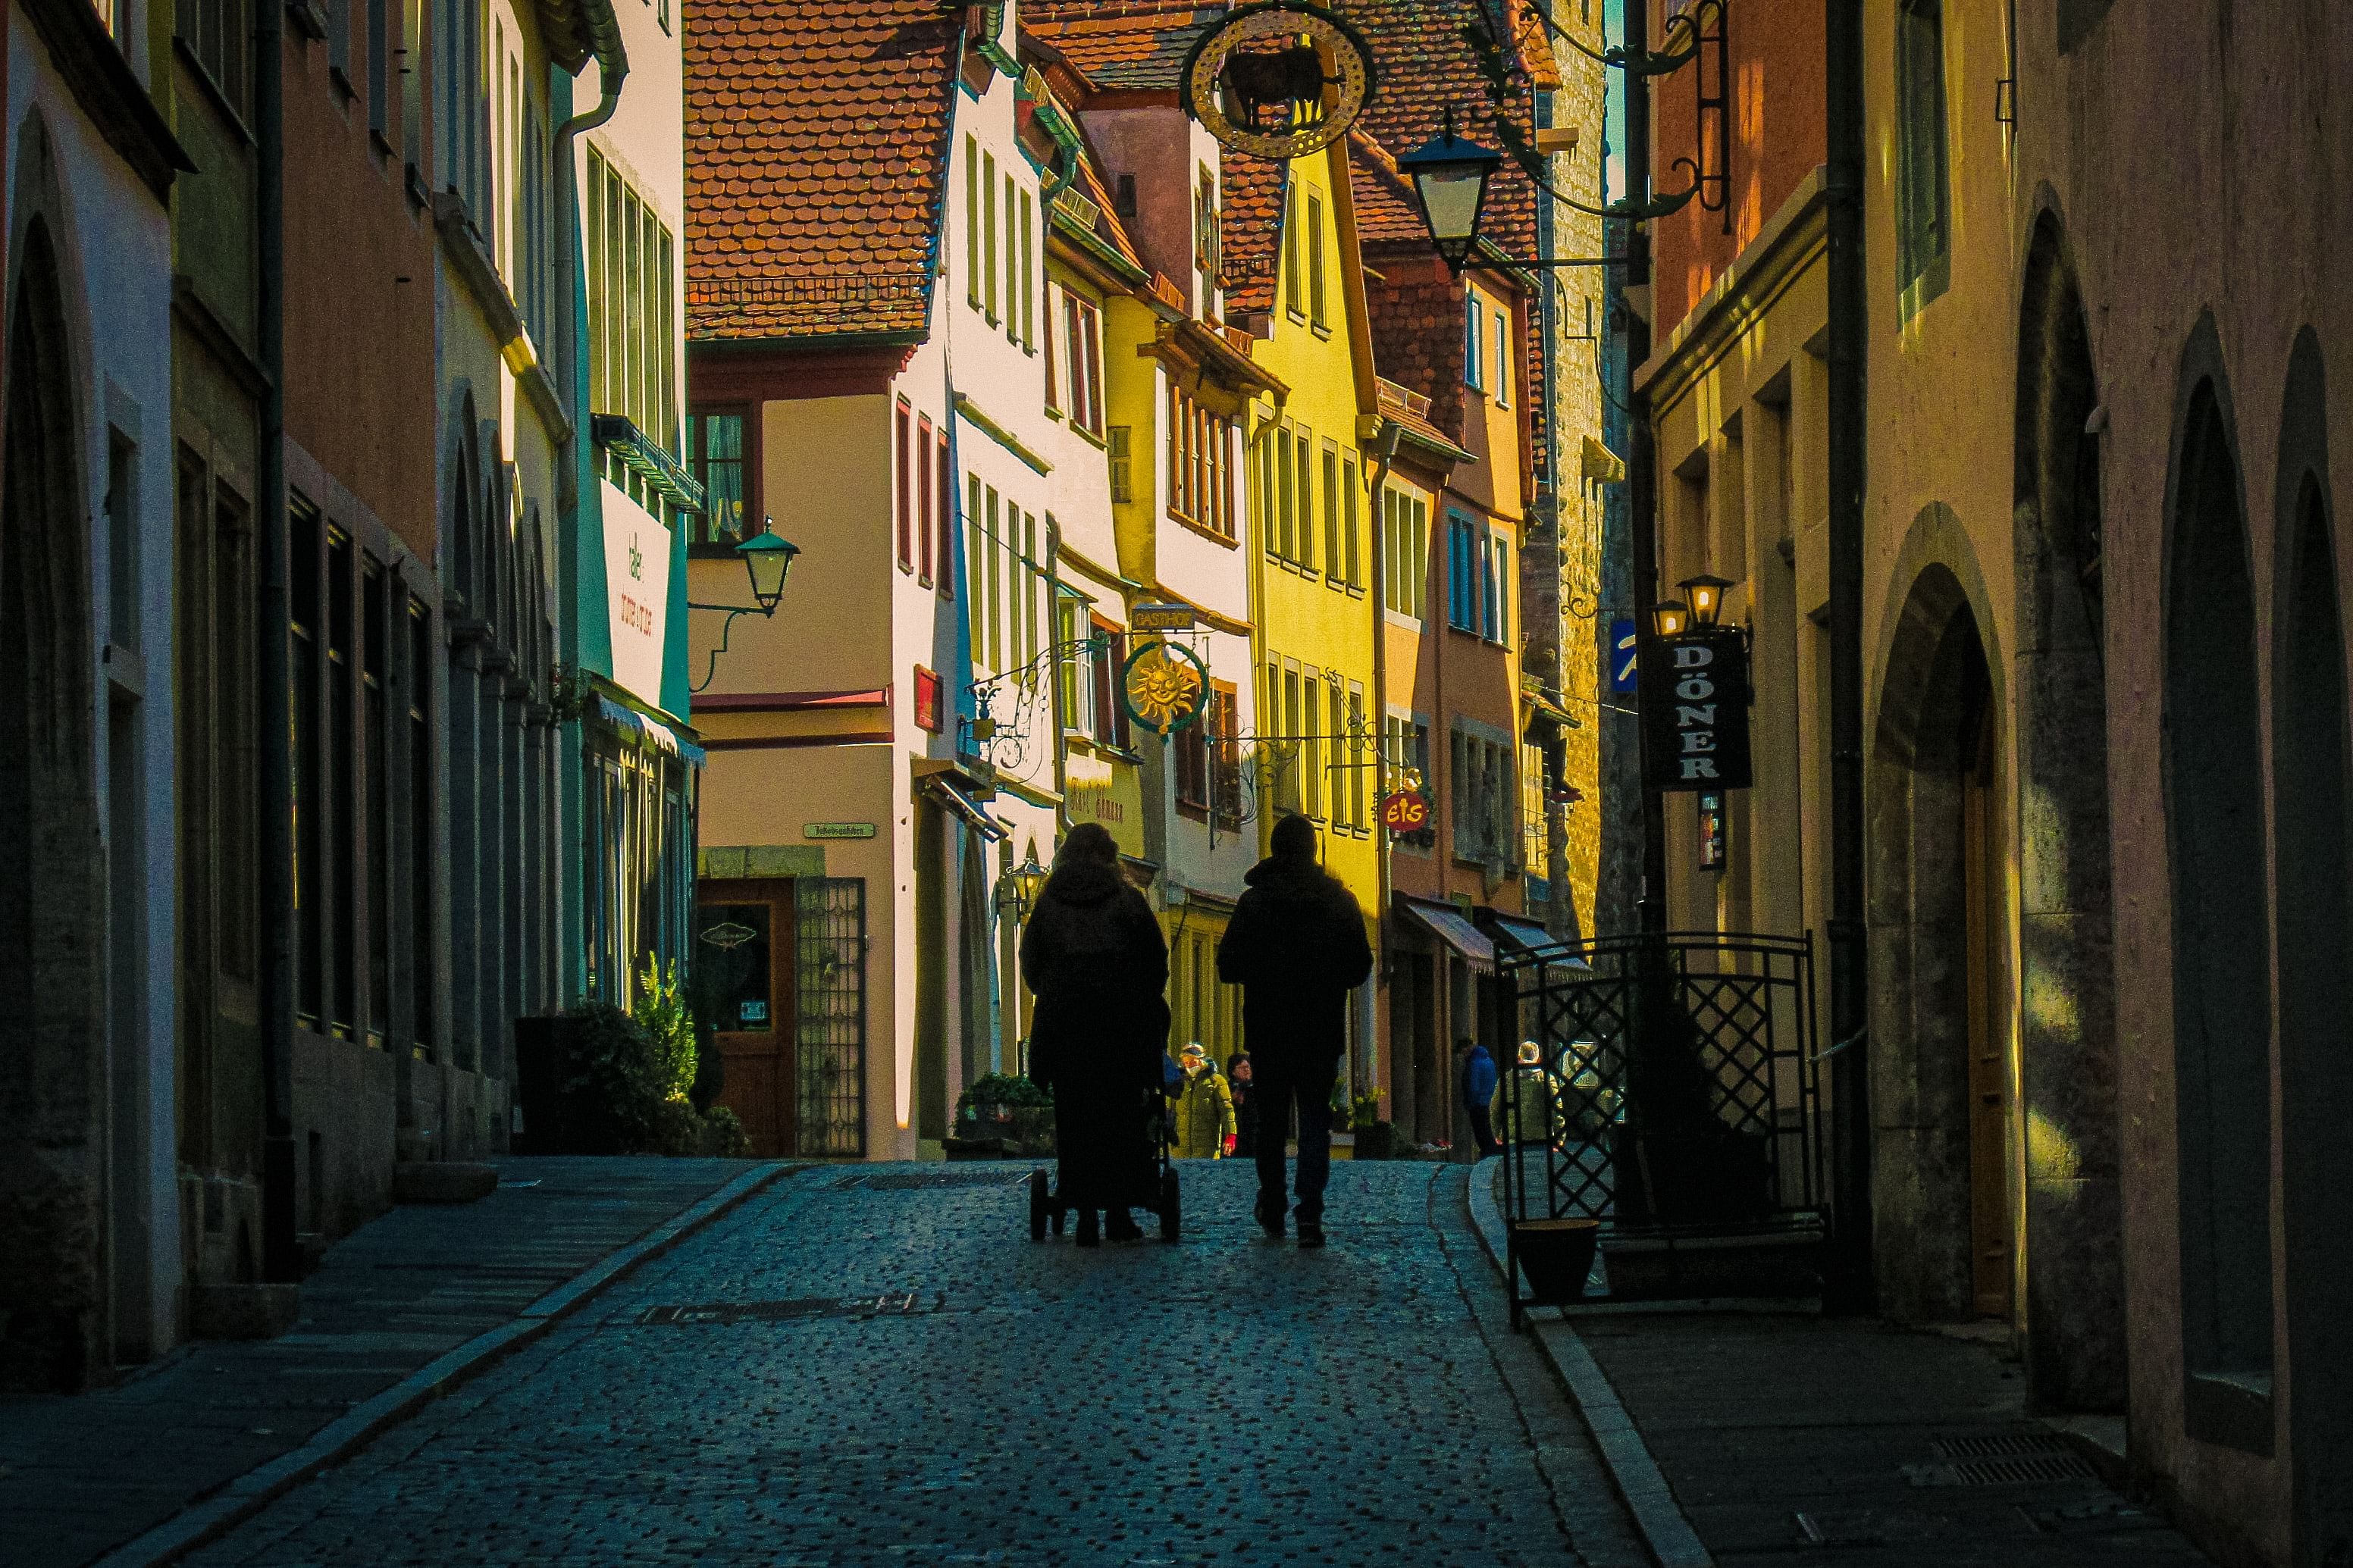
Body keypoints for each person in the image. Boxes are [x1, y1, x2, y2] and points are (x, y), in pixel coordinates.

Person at [1217, 814, 1373, 1247]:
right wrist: (1326, 977)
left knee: (1270, 1123)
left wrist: (1264, 972)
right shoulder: (1340, 902)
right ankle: (1309, 1214)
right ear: (1313, 851)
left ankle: (1272, 1205)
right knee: (1314, 1122)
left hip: (1269, 1029)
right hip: (1319, 1029)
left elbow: (1227, 965)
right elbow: (1360, 966)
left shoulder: (1255, 903)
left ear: (1273, 848)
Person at [1020, 823, 1167, 1247]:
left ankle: (1083, 1210)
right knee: (1121, 1114)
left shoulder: (1049, 902)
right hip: (1121, 1028)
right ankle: (1119, 1212)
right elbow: (1155, 962)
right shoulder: (1128, 900)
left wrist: (1055, 993)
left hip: (1066, 1028)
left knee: (1074, 1116)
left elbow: (1031, 963)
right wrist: (1141, 1000)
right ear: (1110, 855)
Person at [1167, 1043, 1236, 1158]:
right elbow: (1170, 1112)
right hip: (1180, 1152)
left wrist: (1231, 1136)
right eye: (1186, 1062)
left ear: (1202, 1060)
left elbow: (1227, 1111)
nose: (1189, 1065)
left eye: (1193, 1061)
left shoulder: (1216, 1081)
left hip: (1207, 1151)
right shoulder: (1178, 1083)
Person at [1458, 1038, 1502, 1159]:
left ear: (1467, 1049)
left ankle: (1488, 1158)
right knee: (1487, 1132)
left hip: (1478, 1104)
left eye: (1462, 1052)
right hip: (1488, 1101)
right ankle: (1491, 1156)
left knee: (1482, 1135)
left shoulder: (1474, 1064)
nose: (1462, 1055)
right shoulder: (1489, 1061)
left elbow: (1474, 1086)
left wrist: (1470, 1103)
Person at [1226, 1052, 1258, 1158]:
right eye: (1242, 1067)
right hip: (1235, 1134)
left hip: (1254, 1134)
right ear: (1233, 1071)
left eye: (1248, 1067)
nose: (1247, 1070)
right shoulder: (1227, 1087)